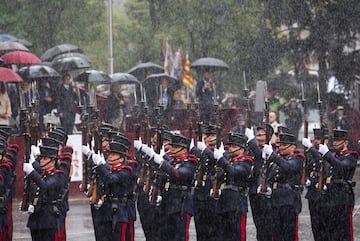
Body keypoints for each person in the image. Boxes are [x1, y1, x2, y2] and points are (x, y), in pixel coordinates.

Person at [304, 129, 358, 241]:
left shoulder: (351, 156)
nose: (335, 143)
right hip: (329, 198)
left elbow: (341, 167)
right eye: (334, 140)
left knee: (343, 232)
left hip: (343, 198)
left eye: (338, 141)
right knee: (329, 232)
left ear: (345, 143)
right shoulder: (333, 155)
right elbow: (321, 162)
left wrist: (326, 154)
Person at [144, 133, 197, 241]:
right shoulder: (171, 162)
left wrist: (161, 161)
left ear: (184, 149)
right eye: (172, 146)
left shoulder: (190, 163)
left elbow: (177, 174)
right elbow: (160, 181)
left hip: (181, 205)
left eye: (176, 147)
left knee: (180, 236)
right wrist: (157, 193)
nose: (172, 149)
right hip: (167, 205)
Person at [262, 133, 304, 241]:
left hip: (289, 201)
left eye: (284, 145)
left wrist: (272, 155)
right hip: (275, 201)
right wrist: (267, 187)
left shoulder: (297, 159)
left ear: (293, 147)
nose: (280, 147)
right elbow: (269, 177)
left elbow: (288, 167)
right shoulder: (276, 161)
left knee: (289, 235)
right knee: (276, 236)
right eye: (280, 145)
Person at [23, 142, 67, 241]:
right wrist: (29, 202)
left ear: (53, 161)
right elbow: (36, 191)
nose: (41, 161)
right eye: (41, 158)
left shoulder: (59, 175)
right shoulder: (43, 175)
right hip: (36, 220)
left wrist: (32, 172)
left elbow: (45, 186)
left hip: (48, 220)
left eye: (45, 159)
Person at [213, 133, 253, 241]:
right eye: (230, 146)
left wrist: (221, 159)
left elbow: (234, 172)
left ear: (242, 149)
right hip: (224, 205)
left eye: (234, 146)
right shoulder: (229, 162)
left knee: (237, 236)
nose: (231, 149)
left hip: (237, 205)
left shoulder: (246, 162)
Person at [245, 124, 274, 241]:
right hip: (254, 191)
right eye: (257, 134)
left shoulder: (270, 149)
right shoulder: (252, 148)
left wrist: (251, 139)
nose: (258, 136)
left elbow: (260, 155)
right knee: (259, 224)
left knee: (268, 226)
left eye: (261, 134)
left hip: (266, 192)